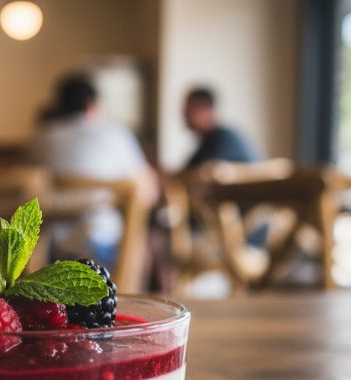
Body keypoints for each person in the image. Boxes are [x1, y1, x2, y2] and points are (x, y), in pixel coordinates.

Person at [30, 74, 157, 266]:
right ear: (93, 104)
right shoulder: (117, 135)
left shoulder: (41, 139)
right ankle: (131, 292)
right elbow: (148, 192)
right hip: (105, 248)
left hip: (47, 252)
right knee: (142, 244)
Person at [183, 86, 259, 169]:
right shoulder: (207, 143)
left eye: (190, 109)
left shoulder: (226, 140)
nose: (186, 115)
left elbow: (201, 172)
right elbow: (187, 170)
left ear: (208, 110)